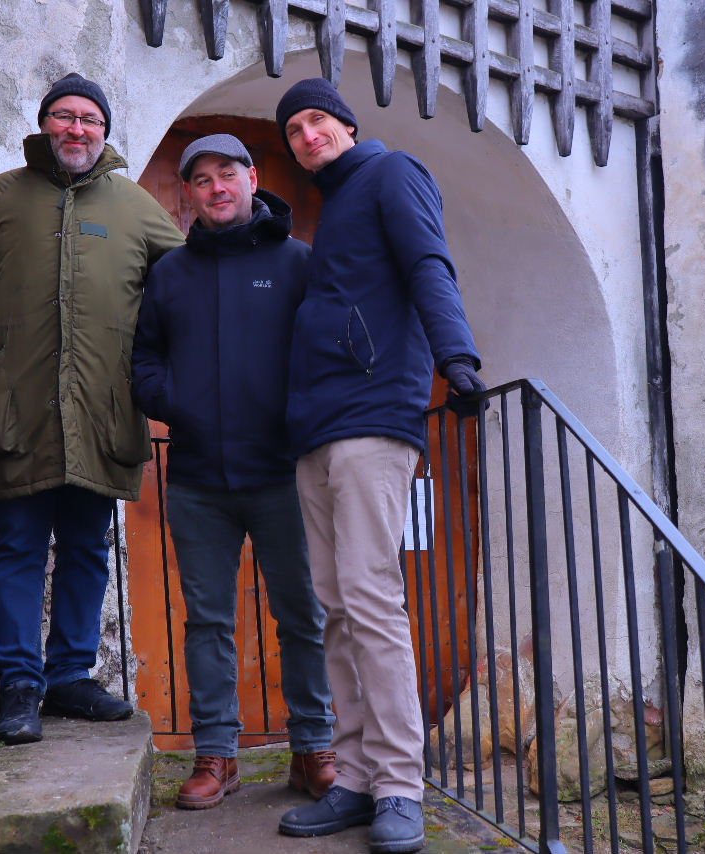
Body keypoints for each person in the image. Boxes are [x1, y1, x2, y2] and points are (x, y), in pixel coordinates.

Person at [0, 72, 184, 745]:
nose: (76, 129)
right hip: (17, 407)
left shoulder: (137, 208)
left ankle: (70, 678)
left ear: (105, 131)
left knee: (87, 548)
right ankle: (20, 681)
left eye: (89, 118)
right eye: (64, 116)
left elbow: (185, 294)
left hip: (102, 411)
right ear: (44, 124)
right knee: (20, 546)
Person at [272, 79, 485, 854]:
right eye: (294, 129)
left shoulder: (392, 173)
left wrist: (457, 359)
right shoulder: (335, 207)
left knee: (369, 597)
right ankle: (357, 777)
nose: (307, 135)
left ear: (349, 125)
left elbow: (429, 262)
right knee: (334, 606)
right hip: (318, 428)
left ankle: (399, 782)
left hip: (372, 416)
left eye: (317, 120)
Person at [132, 134, 337, 809]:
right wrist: (174, 402)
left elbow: (327, 351)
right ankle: (216, 756)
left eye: (227, 174)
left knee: (303, 615)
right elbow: (144, 358)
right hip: (198, 479)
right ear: (189, 194)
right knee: (208, 623)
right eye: (201, 179)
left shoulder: (298, 262)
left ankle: (314, 748)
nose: (216, 188)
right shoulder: (170, 273)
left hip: (285, 474)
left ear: (251, 179)